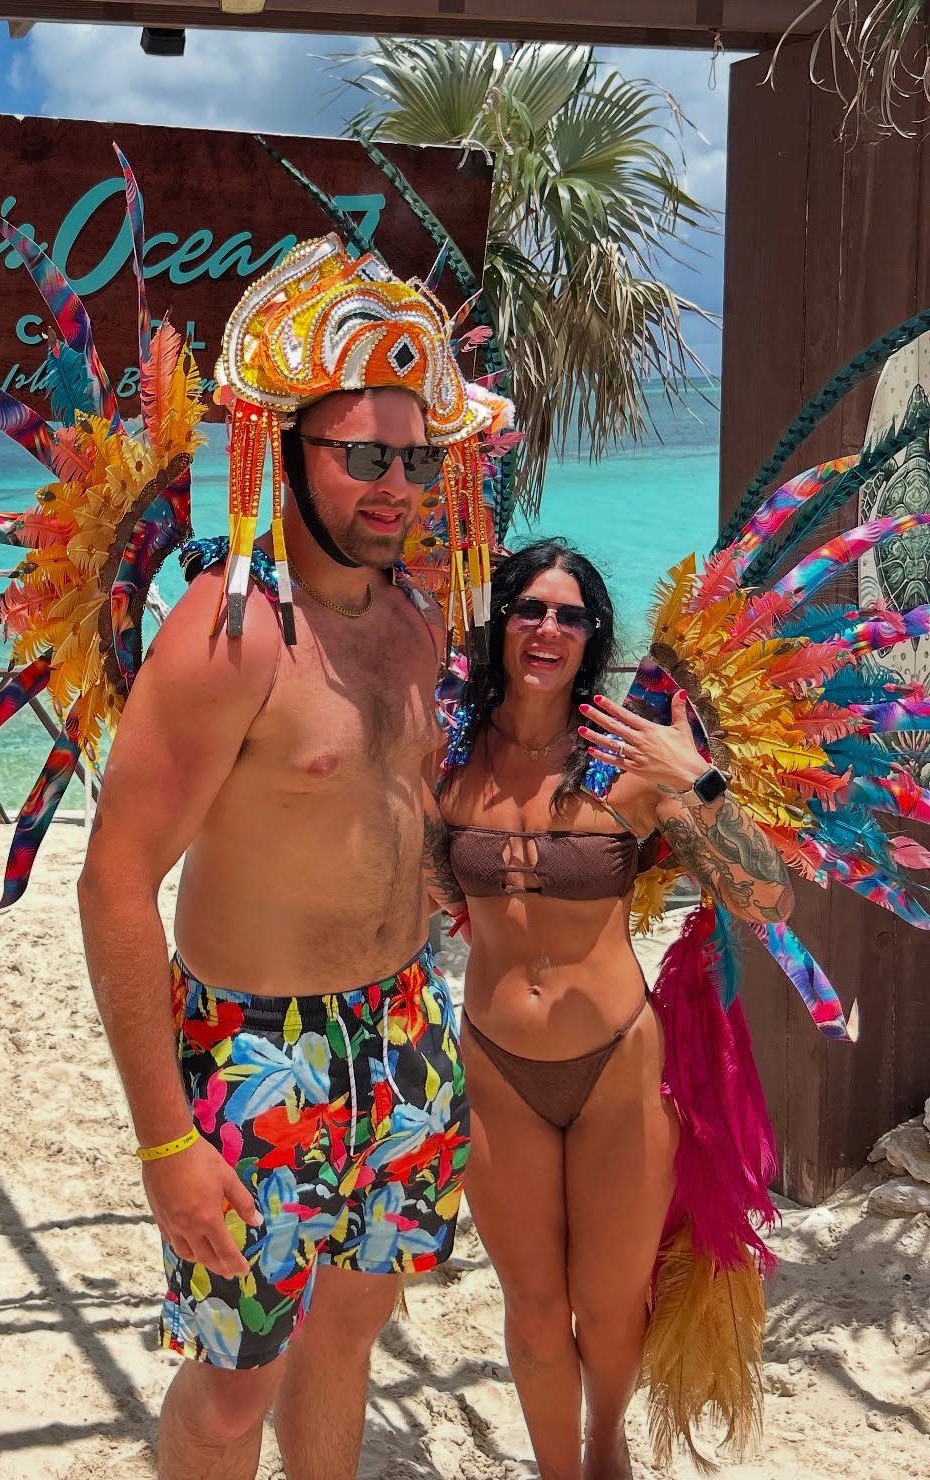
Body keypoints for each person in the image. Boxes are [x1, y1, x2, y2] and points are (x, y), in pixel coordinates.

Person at [78, 233, 510, 1479]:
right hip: (257, 1051)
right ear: (284, 448)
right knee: (232, 1390)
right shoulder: (230, 636)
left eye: (417, 460)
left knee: (350, 1337)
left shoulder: (418, 620)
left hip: (405, 1025)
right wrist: (167, 1142)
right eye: (365, 456)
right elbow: (114, 884)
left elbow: (395, 807)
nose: (397, 487)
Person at [430, 540, 794, 1480]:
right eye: (530, 609)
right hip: (496, 1069)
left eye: (572, 616)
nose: (548, 629)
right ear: (499, 623)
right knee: (534, 1312)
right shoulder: (450, 757)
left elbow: (767, 900)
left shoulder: (629, 759)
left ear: (594, 638)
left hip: (615, 1069)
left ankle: (605, 1447)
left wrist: (695, 775)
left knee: (607, 1303)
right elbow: (414, 883)